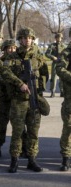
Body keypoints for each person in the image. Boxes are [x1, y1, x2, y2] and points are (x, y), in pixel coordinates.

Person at [0, 27, 49, 173]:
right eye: (24, 38)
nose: (27, 40)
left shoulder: (38, 56)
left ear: (32, 40)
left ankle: (31, 160)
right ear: (20, 40)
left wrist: (38, 88)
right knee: (17, 131)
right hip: (18, 100)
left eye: (29, 38)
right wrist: (19, 83)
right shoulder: (12, 57)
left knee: (33, 131)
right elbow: (5, 72)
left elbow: (45, 73)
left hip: (33, 98)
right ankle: (14, 161)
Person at [0, 39, 17, 159]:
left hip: (17, 98)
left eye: (13, 48)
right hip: (4, 98)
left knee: (19, 124)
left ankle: (23, 148)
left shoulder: (18, 60)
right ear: (4, 49)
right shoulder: (0, 61)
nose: (11, 50)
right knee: (1, 125)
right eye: (9, 48)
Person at [55, 41, 71, 171]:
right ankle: (65, 158)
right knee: (68, 128)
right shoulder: (66, 53)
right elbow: (59, 69)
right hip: (70, 98)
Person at [45, 33, 66, 97]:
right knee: (53, 78)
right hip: (55, 63)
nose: (59, 39)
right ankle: (52, 91)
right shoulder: (52, 45)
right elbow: (47, 54)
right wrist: (52, 57)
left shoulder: (64, 46)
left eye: (60, 38)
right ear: (56, 38)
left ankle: (62, 91)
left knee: (62, 78)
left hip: (62, 64)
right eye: (58, 37)